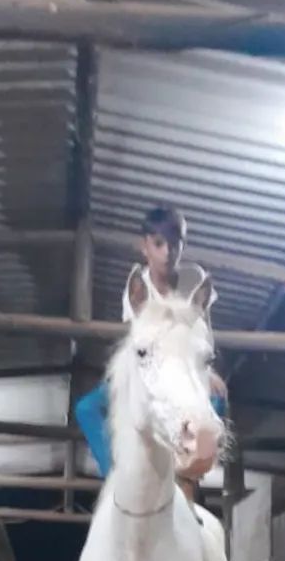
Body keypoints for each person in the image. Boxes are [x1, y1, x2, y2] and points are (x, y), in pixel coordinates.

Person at [74, 204, 227, 497]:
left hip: (187, 367)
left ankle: (188, 483)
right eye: (159, 244)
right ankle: (116, 476)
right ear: (144, 247)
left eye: (176, 243)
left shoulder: (194, 277)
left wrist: (207, 372)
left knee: (217, 403)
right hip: (153, 368)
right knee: (86, 407)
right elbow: (139, 341)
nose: (168, 252)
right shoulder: (137, 288)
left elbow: (204, 330)